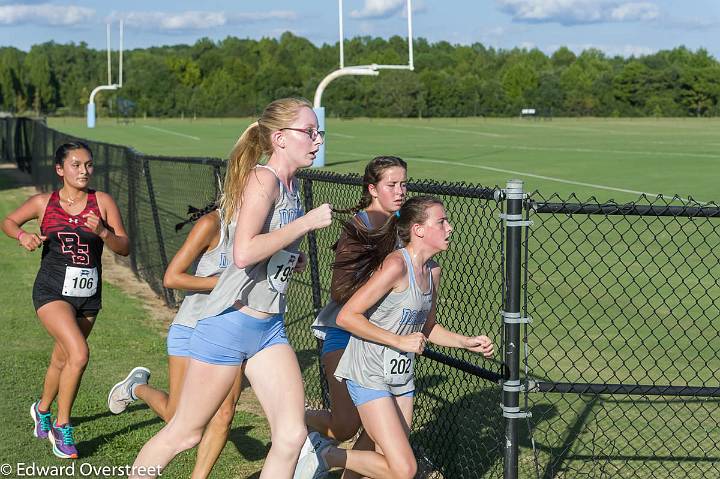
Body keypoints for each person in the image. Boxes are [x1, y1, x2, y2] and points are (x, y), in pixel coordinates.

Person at [129, 97, 332, 479]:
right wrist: (304, 225)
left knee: (290, 437)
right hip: (228, 324)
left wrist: (290, 257)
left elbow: (262, 250)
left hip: (268, 327)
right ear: (280, 138)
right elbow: (242, 253)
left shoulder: (291, 186)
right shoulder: (263, 178)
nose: (317, 139)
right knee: (185, 433)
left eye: (317, 131)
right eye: (309, 131)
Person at [295, 195, 495, 479]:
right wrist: (400, 341)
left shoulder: (433, 271)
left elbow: (427, 327)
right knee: (404, 469)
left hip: (400, 374)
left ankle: (331, 462)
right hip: (369, 371)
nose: (449, 227)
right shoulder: (395, 266)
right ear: (419, 230)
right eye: (441, 221)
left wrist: (466, 342)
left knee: (380, 452)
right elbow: (347, 316)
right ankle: (327, 455)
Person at [1, 141, 130, 459]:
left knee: (63, 359)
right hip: (52, 292)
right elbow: (8, 221)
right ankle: (62, 426)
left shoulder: (102, 202)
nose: (84, 171)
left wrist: (103, 232)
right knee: (79, 353)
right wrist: (24, 236)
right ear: (60, 169)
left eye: (88, 165)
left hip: (87, 295)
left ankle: (42, 410)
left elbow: (124, 246)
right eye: (76, 165)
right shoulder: (44, 202)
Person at [107, 202, 243, 479]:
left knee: (225, 412)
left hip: (230, 330)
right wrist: (222, 285)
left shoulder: (266, 228)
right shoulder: (212, 224)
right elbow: (171, 277)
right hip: (192, 326)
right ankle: (137, 388)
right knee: (176, 417)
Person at [305, 156, 407, 477]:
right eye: (392, 185)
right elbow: (340, 291)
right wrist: (385, 287)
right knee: (345, 425)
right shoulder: (359, 226)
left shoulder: (403, 223)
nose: (400, 190)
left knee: (377, 430)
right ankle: (292, 422)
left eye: (404, 183)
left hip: (380, 340)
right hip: (345, 332)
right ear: (372, 189)